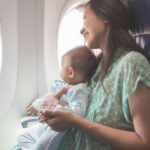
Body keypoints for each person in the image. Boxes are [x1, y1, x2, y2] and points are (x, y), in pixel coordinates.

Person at [37, 0, 150, 150]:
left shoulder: (132, 63)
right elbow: (85, 111)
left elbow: (144, 143)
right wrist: (57, 105)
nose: (81, 30)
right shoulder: (98, 67)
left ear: (106, 16)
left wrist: (75, 121)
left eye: (84, 17)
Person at [17, 46, 98, 150]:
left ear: (70, 72)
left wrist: (58, 108)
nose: (60, 69)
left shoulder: (78, 90)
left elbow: (80, 111)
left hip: (57, 129)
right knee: (22, 135)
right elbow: (48, 98)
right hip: (45, 125)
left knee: (39, 148)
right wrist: (35, 105)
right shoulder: (62, 85)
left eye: (62, 66)